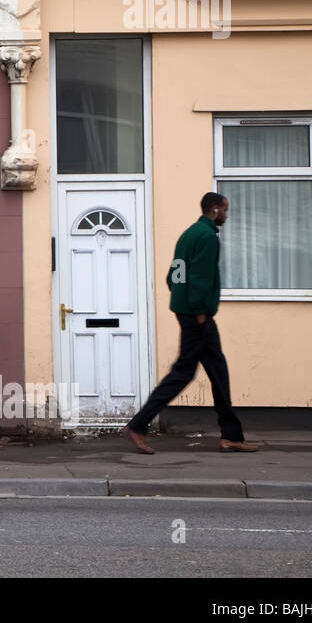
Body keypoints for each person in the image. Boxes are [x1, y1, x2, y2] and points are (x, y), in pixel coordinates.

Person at [124, 192, 258, 454]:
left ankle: (231, 435)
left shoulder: (189, 233)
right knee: (183, 373)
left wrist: (181, 297)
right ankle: (138, 425)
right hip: (198, 316)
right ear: (215, 210)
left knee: (218, 371)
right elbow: (200, 277)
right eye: (225, 211)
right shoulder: (208, 237)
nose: (227, 216)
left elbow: (175, 273)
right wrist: (198, 310)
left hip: (187, 311)